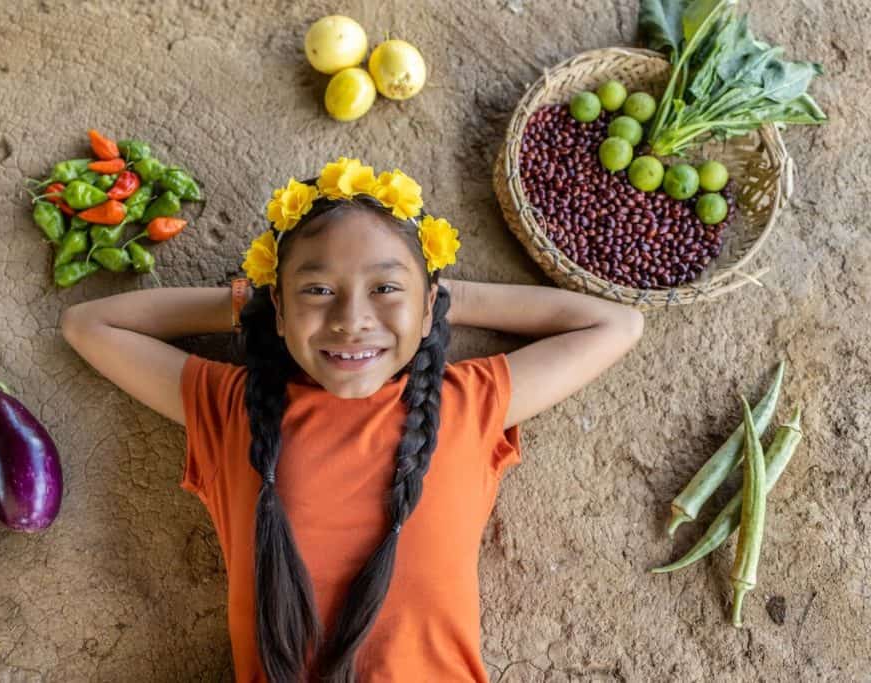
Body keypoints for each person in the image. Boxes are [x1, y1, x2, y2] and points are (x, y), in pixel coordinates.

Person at [60, 157, 644, 682]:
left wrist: (436, 300)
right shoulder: (235, 407)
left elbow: (615, 326)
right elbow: (88, 326)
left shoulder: (466, 401)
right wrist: (256, 303)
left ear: (424, 308)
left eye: (384, 288)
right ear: (282, 313)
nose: (351, 319)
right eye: (318, 290)